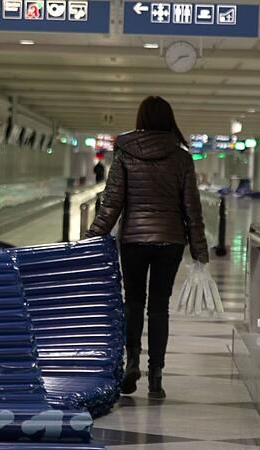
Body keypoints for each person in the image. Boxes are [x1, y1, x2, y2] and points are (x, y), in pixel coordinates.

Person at [86, 96, 208, 400]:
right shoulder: (181, 158)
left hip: (134, 240)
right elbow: (192, 208)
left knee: (134, 302)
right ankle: (156, 377)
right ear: (169, 119)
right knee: (159, 307)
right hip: (170, 241)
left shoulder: (125, 153)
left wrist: (92, 237)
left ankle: (132, 362)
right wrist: (200, 250)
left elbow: (112, 202)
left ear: (141, 119)